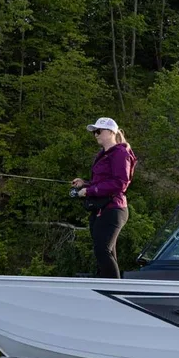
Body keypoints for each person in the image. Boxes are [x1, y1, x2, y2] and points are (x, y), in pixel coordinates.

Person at [71, 117, 137, 279]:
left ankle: (113, 292)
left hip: (113, 209)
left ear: (110, 132)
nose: (95, 135)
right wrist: (85, 184)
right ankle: (105, 285)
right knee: (105, 252)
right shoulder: (104, 154)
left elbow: (120, 183)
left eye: (98, 131)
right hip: (101, 210)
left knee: (102, 250)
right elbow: (102, 182)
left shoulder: (120, 153)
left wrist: (89, 191)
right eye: (94, 132)